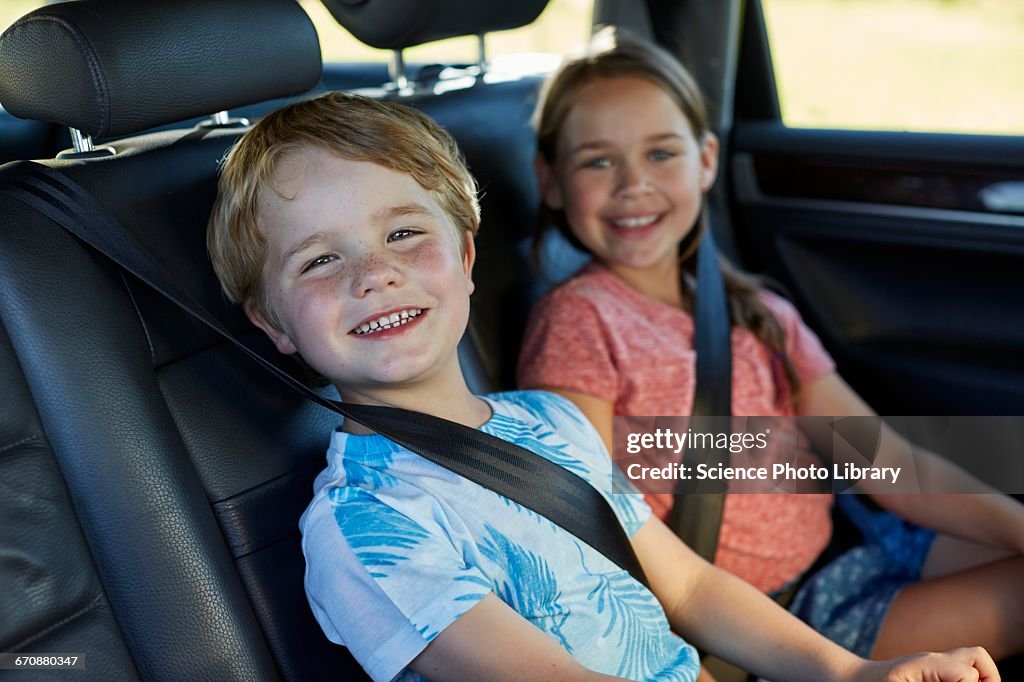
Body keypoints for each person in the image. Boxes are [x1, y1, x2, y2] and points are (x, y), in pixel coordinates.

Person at [207, 90, 1001, 682]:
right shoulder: (363, 528)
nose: (375, 274)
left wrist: (847, 672)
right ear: (273, 322)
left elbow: (686, 584)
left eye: (405, 233)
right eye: (320, 260)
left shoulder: (548, 421)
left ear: (467, 259)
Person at [517, 29, 1024, 669]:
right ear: (551, 180)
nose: (633, 185)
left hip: (862, 541)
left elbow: (884, 459)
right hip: (788, 614)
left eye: (661, 154)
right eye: (597, 161)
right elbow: (590, 516)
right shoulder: (577, 321)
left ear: (705, 161)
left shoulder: (755, 311)